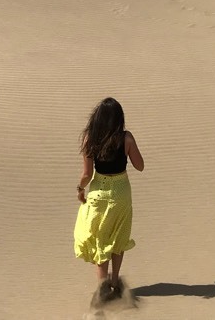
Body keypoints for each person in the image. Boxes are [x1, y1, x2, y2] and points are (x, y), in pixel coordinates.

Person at [73, 97, 145, 302]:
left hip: (99, 193)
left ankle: (103, 286)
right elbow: (140, 166)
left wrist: (80, 189)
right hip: (121, 193)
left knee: (100, 240)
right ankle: (114, 282)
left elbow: (86, 174)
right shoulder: (127, 138)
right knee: (118, 237)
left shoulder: (90, 138)